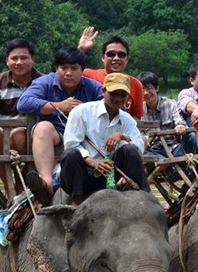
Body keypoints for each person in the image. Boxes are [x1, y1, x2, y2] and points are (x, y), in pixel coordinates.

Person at [16, 47, 103, 205]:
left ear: (82, 71)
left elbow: (114, 106)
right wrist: (59, 106)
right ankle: (46, 182)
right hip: (57, 134)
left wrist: (87, 110)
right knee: (42, 127)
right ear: (57, 69)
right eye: (64, 68)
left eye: (74, 68)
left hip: (86, 137)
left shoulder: (93, 86)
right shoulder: (46, 82)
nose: (68, 73)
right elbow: (24, 102)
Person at [58, 73, 149, 205]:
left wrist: (121, 136)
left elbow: (139, 147)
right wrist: (94, 163)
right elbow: (71, 144)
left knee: (130, 149)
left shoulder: (127, 119)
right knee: (70, 154)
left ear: (127, 97)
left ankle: (144, 197)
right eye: (113, 93)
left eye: (122, 95)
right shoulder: (81, 112)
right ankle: (76, 202)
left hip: (111, 175)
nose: (118, 98)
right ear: (104, 91)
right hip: (84, 175)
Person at [0, 38, 43, 192]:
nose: (19, 62)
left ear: (33, 60)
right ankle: (10, 188)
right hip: (1, 131)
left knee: (19, 135)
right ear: (7, 61)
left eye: (24, 58)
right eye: (14, 58)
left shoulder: (43, 81)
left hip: (31, 133)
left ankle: (22, 185)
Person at [77, 26, 144, 119]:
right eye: (111, 54)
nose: (116, 58)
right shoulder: (88, 75)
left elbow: (136, 118)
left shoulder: (136, 84)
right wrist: (81, 50)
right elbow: (65, 75)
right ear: (103, 57)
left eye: (121, 55)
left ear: (127, 59)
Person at [137, 71, 198, 159]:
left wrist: (180, 126)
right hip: (154, 150)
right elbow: (137, 132)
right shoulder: (139, 110)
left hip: (174, 147)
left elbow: (179, 120)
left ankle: (191, 170)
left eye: (149, 88)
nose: (146, 93)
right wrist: (142, 137)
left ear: (156, 88)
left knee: (192, 136)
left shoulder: (170, 104)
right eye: (142, 89)